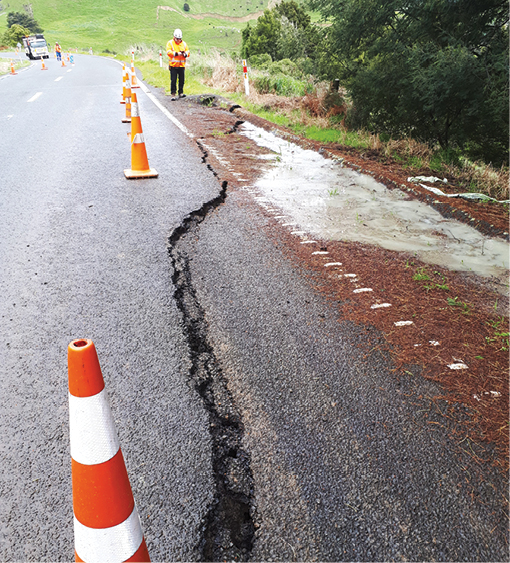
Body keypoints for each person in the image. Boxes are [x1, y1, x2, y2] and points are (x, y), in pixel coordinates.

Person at [166, 29, 190, 100]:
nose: (178, 40)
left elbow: (188, 51)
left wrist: (185, 54)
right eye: (177, 39)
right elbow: (168, 52)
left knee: (181, 80)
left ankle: (181, 93)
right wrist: (176, 53)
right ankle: (173, 94)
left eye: (179, 39)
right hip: (173, 66)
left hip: (181, 65)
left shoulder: (184, 44)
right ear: (174, 37)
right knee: (173, 80)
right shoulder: (170, 43)